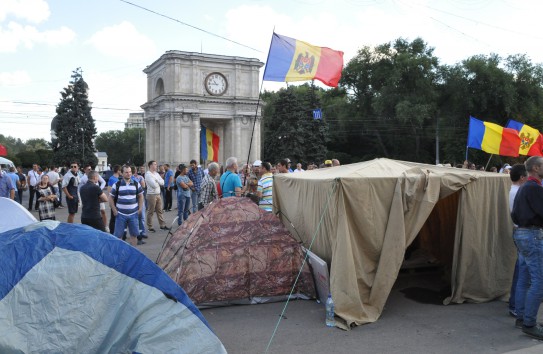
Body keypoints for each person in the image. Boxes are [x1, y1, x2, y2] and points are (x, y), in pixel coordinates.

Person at [511, 156, 543, 339]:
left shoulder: (523, 188)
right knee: (539, 281)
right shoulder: (534, 188)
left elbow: (514, 215)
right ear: (536, 168)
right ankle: (530, 323)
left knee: (525, 278)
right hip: (532, 235)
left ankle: (522, 317)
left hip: (522, 234)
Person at [508, 164, 527, 318]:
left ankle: (515, 303)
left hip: (518, 231)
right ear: (522, 177)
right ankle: (516, 305)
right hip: (523, 231)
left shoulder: (513, 190)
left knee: (521, 270)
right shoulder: (520, 191)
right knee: (522, 272)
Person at [108, 165, 144, 246]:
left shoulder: (136, 184)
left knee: (134, 235)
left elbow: (141, 196)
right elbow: (110, 198)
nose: (129, 174)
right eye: (126, 172)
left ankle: (132, 255)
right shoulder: (117, 184)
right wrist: (114, 210)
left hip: (133, 214)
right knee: (118, 236)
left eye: (130, 172)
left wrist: (140, 209)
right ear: (122, 173)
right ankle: (119, 255)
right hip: (120, 215)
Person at [79, 164, 108, 230]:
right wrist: (97, 199)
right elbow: (105, 199)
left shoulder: (82, 188)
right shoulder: (95, 187)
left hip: (84, 217)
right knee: (102, 234)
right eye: (97, 177)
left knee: (88, 236)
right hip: (95, 217)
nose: (98, 179)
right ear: (95, 177)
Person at [145, 160, 168, 232]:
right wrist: (158, 181)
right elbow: (154, 185)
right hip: (151, 195)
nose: (156, 166)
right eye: (154, 164)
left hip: (158, 194)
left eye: (156, 164)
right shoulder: (148, 174)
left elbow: (163, 182)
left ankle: (162, 225)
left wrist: (156, 180)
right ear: (150, 166)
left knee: (159, 210)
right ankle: (150, 227)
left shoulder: (156, 174)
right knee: (151, 211)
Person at [131, 165, 147, 243]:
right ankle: (138, 235)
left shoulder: (139, 178)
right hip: (134, 200)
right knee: (137, 218)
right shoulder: (132, 180)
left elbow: (143, 186)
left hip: (139, 199)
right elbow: (143, 186)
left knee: (141, 217)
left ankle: (141, 233)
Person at [107, 165, 121, 233]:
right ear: (118, 171)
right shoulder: (112, 178)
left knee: (117, 216)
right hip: (114, 200)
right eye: (121, 170)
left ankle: (116, 230)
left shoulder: (118, 179)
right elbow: (109, 189)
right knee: (113, 216)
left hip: (118, 200)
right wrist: (111, 200)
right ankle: (112, 232)